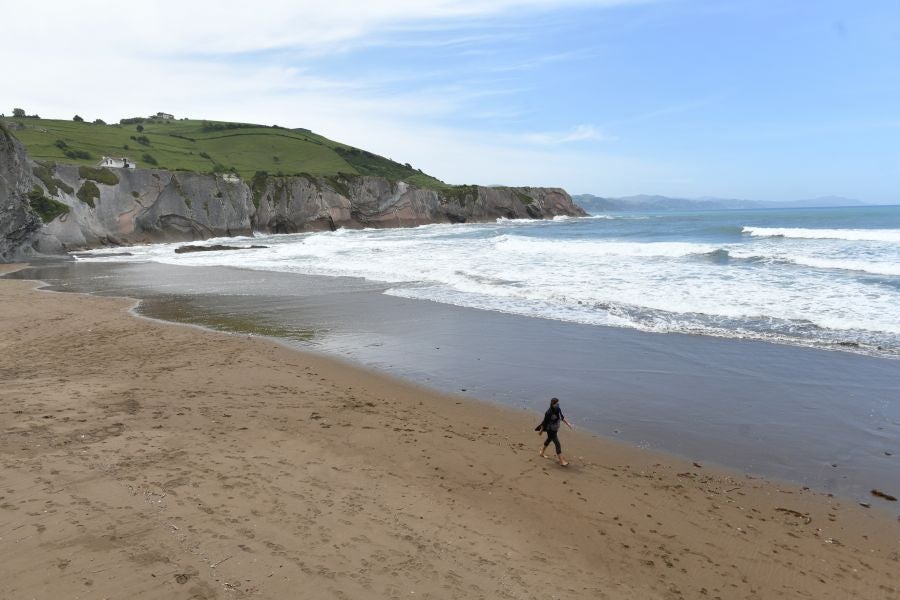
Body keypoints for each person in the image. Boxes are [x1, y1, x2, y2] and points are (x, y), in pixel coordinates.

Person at [536, 397, 574, 466]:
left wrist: (568, 423)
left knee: (549, 439)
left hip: (555, 429)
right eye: (556, 404)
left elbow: (561, 417)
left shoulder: (558, 409)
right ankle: (561, 461)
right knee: (557, 444)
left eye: (558, 403)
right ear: (553, 404)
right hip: (550, 430)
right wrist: (541, 431)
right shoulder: (548, 412)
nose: (558, 404)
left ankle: (541, 453)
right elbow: (544, 422)